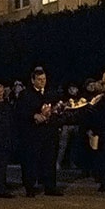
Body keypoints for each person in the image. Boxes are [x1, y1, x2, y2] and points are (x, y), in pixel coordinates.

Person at [17, 67, 64, 197]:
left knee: (49, 160)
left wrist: (56, 113)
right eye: (39, 79)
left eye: (44, 79)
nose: (42, 82)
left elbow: (59, 110)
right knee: (31, 161)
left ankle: (50, 187)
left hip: (49, 133)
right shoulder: (25, 94)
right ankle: (30, 187)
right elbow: (20, 112)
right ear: (33, 81)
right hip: (33, 133)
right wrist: (34, 115)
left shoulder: (52, 93)